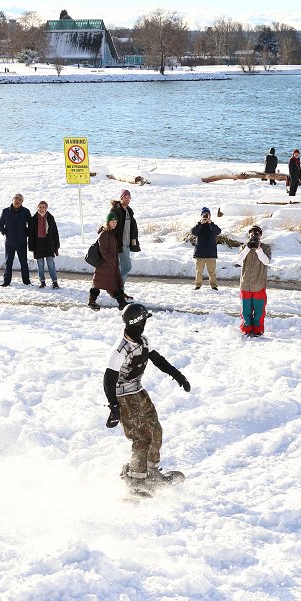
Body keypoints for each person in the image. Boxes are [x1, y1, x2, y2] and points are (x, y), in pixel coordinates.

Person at [103, 303, 190, 492]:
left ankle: (150, 473)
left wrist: (177, 375)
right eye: (144, 320)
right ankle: (135, 481)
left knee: (155, 429)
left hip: (138, 391)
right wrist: (114, 407)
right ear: (138, 322)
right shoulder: (120, 350)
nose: (145, 323)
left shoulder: (143, 341)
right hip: (123, 395)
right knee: (141, 436)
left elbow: (157, 359)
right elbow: (108, 380)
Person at [234, 225, 271, 337]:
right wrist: (247, 248)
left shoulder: (265, 247)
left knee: (259, 311)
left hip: (259, 284)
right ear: (249, 234)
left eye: (256, 233)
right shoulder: (244, 247)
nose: (254, 235)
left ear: (260, 235)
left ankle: (257, 330)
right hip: (245, 284)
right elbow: (239, 261)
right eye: (252, 233)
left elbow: (266, 262)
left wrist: (259, 249)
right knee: (246, 311)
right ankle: (246, 329)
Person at [89, 212, 128, 311]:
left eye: (116, 222)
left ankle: (122, 303)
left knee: (113, 284)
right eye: (112, 221)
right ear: (108, 222)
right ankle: (91, 301)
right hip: (104, 265)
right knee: (99, 284)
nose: (115, 223)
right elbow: (103, 250)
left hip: (110, 265)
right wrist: (111, 261)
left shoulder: (110, 233)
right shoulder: (104, 234)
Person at [0, 193, 32, 287]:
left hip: (21, 242)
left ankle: (26, 281)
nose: (17, 201)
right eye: (16, 198)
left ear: (22, 202)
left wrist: (26, 234)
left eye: (20, 199)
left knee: (23, 262)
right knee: (8, 262)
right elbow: (0, 225)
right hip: (10, 242)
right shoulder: (5, 211)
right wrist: (5, 234)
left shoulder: (25, 211)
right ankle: (6, 282)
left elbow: (31, 225)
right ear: (12, 199)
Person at [110, 189, 140, 294]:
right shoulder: (116, 210)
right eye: (125, 197)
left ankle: (120, 290)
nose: (127, 199)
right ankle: (115, 286)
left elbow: (132, 228)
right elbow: (110, 225)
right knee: (127, 266)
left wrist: (134, 242)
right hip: (119, 244)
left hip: (127, 243)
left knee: (124, 268)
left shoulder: (129, 211)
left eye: (129, 197)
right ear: (121, 198)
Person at [28, 200, 60, 288]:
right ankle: (42, 281)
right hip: (38, 245)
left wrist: (57, 246)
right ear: (37, 208)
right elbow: (31, 234)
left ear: (46, 208)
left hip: (49, 244)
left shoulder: (50, 218)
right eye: (40, 207)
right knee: (40, 265)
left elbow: (55, 232)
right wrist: (31, 246)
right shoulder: (33, 219)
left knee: (51, 264)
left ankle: (54, 282)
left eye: (44, 207)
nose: (42, 209)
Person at [190, 207, 221, 290]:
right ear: (201, 216)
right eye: (204, 215)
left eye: (207, 215)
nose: (206, 217)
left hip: (211, 253)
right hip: (200, 253)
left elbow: (218, 232)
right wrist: (200, 223)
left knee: (212, 272)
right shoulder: (199, 225)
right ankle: (198, 285)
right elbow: (193, 232)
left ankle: (214, 286)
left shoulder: (212, 225)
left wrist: (210, 223)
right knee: (199, 272)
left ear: (210, 216)